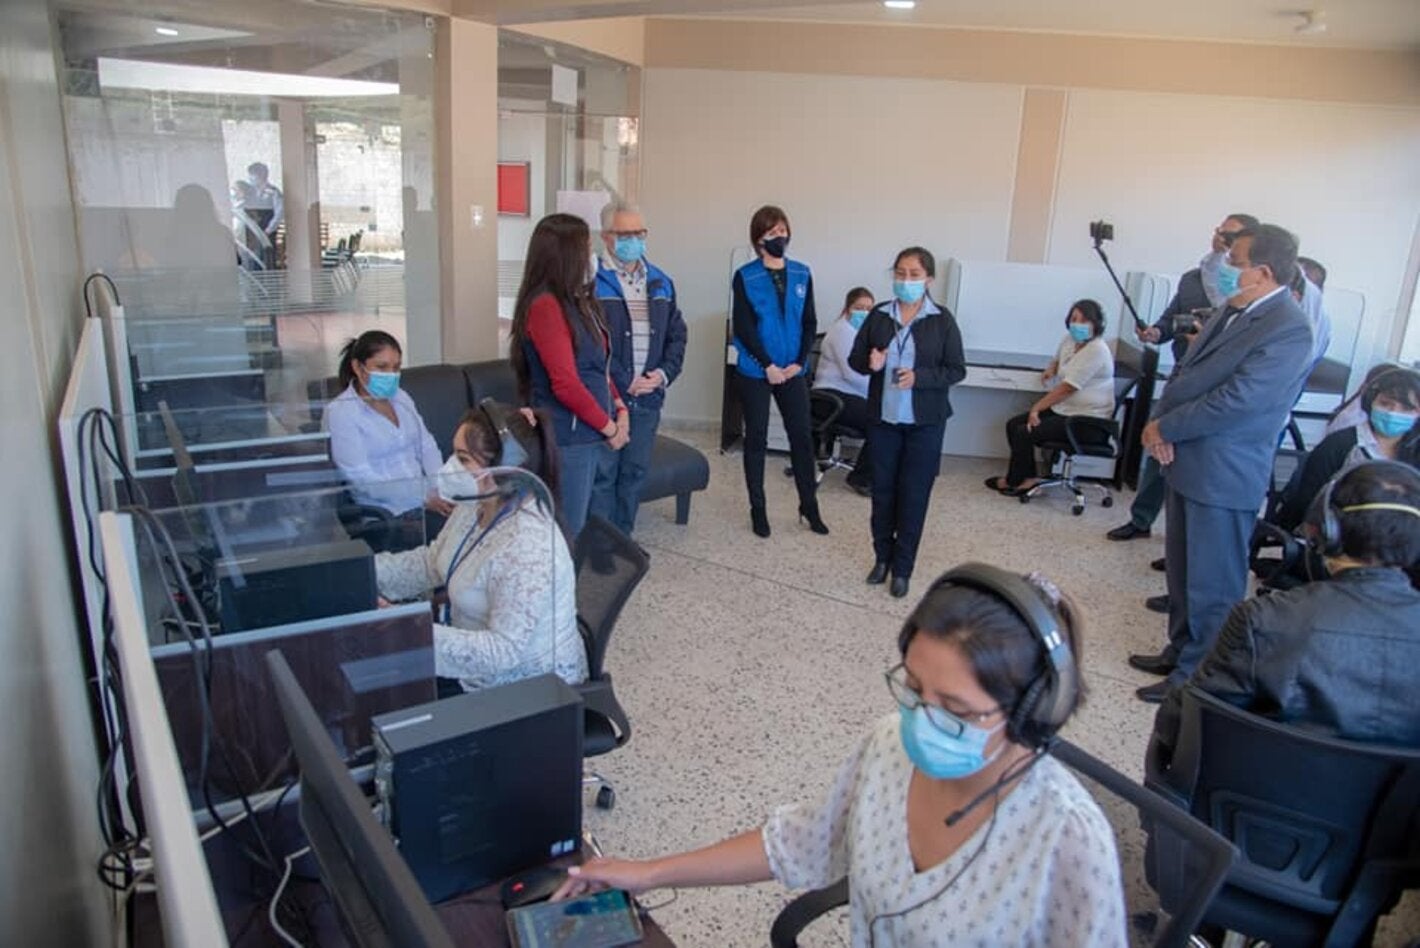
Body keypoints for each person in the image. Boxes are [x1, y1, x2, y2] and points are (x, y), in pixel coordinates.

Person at [553, 564, 1127, 948]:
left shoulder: (1069, 839)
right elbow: (800, 842)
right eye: (914, 688)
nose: (922, 719)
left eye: (955, 709)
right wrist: (649, 873)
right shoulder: (889, 745)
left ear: (1029, 714)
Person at [1130, 224, 1316, 703]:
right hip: (1186, 459)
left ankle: (1198, 675)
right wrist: (1158, 424)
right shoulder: (1232, 311)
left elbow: (1238, 400)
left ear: (1264, 272)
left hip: (1224, 469)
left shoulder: (1289, 328)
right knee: (1182, 572)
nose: (1226, 269)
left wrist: (1167, 428)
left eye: (1235, 262)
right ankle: (1179, 651)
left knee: (1213, 582)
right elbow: (1185, 375)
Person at [1149, 461, 1420, 773]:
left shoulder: (1263, 619)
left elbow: (1181, 719)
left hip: (1247, 795)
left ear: (1327, 529)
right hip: (1383, 806)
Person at [373, 402, 586, 692]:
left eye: (463, 459)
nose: (450, 468)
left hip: (524, 688)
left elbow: (502, 652)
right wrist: (363, 573)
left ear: (505, 468)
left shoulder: (527, 545)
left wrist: (408, 630)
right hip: (469, 656)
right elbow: (433, 561)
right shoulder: (477, 503)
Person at [1108, 213, 1258, 542]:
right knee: (1158, 448)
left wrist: (1207, 344)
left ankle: (1184, 538)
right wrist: (1155, 332)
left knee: (1196, 462)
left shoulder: (1251, 291)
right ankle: (1141, 519)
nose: (1222, 239)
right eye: (1220, 232)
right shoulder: (1193, 278)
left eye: (1231, 237)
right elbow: (1171, 319)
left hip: (1217, 385)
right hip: (1183, 376)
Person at [849, 247, 966, 599]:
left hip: (925, 424)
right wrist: (870, 363)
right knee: (882, 493)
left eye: (914, 274)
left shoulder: (941, 320)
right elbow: (856, 359)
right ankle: (881, 558)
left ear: (929, 279)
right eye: (900, 273)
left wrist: (920, 378)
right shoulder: (879, 316)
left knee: (914, 495)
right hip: (884, 421)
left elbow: (956, 369)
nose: (906, 280)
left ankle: (903, 569)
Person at [510, 213, 629, 539]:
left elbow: (598, 365)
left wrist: (620, 407)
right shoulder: (545, 307)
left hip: (592, 431)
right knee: (567, 531)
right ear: (566, 254)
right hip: (568, 438)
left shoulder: (579, 303)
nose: (593, 255)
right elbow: (566, 384)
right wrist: (609, 428)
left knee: (589, 524)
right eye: (587, 247)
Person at [731, 205, 827, 538]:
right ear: (758, 238)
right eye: (772, 232)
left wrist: (799, 362)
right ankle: (758, 509)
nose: (779, 237)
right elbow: (743, 327)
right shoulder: (746, 276)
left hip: (792, 369)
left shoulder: (802, 273)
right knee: (756, 438)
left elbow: (809, 322)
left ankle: (809, 506)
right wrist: (767, 365)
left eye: (783, 230)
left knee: (801, 436)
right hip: (757, 370)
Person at [592, 201, 687, 535]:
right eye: (625, 234)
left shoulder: (661, 281)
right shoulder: (592, 281)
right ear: (606, 236)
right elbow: (590, 342)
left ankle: (622, 542)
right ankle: (599, 548)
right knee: (603, 476)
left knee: (634, 473)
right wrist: (622, 380)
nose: (634, 240)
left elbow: (677, 335)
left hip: (648, 397)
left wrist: (661, 375)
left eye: (640, 233)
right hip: (608, 399)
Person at [324, 330, 450, 552]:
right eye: (382, 367)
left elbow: (427, 446)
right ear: (358, 367)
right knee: (452, 545)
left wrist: (439, 487)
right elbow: (364, 480)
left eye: (396, 368)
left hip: (427, 503)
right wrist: (422, 496)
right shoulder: (341, 412)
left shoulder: (401, 398)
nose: (391, 375)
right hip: (387, 516)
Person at [986, 299, 1115, 495]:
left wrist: (1036, 408)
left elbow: (1067, 388)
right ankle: (1026, 478)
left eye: (1084, 320)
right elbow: (1057, 359)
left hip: (1087, 421)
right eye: (1074, 319)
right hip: (1065, 411)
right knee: (1014, 425)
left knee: (1024, 431)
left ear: (1096, 324)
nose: (1077, 324)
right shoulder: (1070, 340)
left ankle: (1017, 481)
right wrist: (1051, 369)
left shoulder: (1097, 350)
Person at [1273, 366, 1420, 531]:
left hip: (1400, 534)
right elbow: (1307, 503)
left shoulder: (1416, 450)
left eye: (1407, 409)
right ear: (1370, 402)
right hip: (1338, 531)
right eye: (1385, 404)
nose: (1393, 413)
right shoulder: (1339, 445)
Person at [811, 287, 875, 495]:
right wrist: (880, 393)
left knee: (886, 418)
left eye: (869, 309)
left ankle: (871, 474)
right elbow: (854, 374)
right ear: (847, 308)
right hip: (829, 398)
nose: (864, 313)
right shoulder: (842, 331)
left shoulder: (859, 334)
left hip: (845, 396)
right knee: (882, 422)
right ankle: (862, 479)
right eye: (859, 307)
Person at [243, 162, 283, 270]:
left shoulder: (273, 192)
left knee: (267, 258)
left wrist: (269, 230)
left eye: (252, 175)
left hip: (267, 231)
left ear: (260, 176)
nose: (250, 178)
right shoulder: (250, 192)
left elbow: (279, 213)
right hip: (252, 232)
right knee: (253, 260)